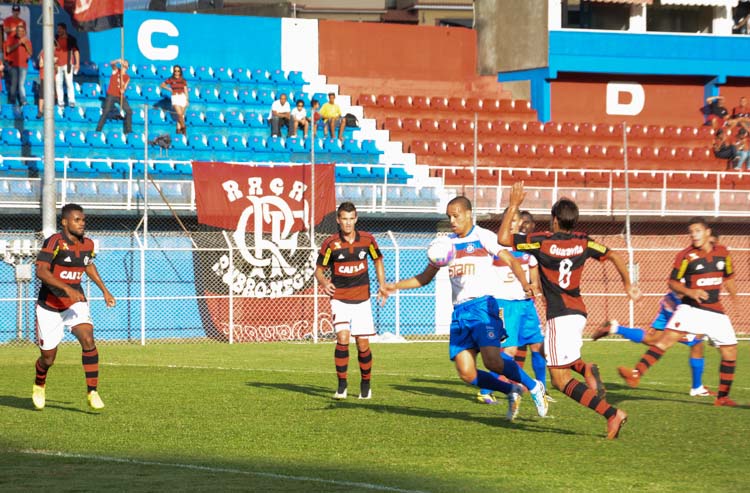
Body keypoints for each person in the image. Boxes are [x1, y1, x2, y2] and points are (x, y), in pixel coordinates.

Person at [383, 196, 549, 422]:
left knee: (493, 361)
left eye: (456, 215)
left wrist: (524, 282)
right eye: (449, 216)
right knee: (466, 372)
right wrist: (394, 286)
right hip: (460, 312)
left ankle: (533, 386)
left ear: (469, 214)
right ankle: (511, 390)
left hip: (483, 307)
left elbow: (510, 259)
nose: (452, 220)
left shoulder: (483, 237)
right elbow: (425, 277)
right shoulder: (445, 245)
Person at [498, 181, 640, 439]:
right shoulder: (583, 242)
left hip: (559, 316)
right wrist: (629, 285)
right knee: (561, 362)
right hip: (578, 314)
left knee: (560, 381)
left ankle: (611, 414)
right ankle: (585, 369)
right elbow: (615, 256)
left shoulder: (543, 241)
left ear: (554, 220)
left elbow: (503, 239)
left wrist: (514, 204)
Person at [617, 217, 739, 407]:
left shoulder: (723, 253)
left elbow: (729, 277)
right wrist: (691, 292)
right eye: (691, 231)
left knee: (730, 350)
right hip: (691, 308)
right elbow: (672, 282)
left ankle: (722, 397)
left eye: (697, 230)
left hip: (716, 311)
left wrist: (735, 299)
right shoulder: (685, 256)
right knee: (665, 340)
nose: (693, 234)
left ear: (707, 232)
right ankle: (636, 373)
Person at [31, 204, 116, 411]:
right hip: (50, 306)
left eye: (83, 220)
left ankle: (92, 392)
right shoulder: (54, 242)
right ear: (65, 222)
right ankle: (39, 384)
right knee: (48, 358)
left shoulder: (87, 244)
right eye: (77, 220)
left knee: (88, 339)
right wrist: (66, 289)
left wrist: (105, 290)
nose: (82, 223)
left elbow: (87, 265)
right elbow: (41, 272)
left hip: (75, 304)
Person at [315, 202, 387, 400]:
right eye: (343, 219)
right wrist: (324, 282)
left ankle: (366, 383)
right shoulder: (330, 244)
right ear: (338, 220)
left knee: (362, 344)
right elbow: (319, 270)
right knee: (343, 339)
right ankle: (342, 385)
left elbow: (378, 260)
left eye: (351, 219)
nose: (347, 223)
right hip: (339, 298)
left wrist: (382, 285)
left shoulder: (368, 240)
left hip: (362, 300)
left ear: (356, 219)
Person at [476, 208, 547, 406]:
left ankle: (542, 388)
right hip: (505, 304)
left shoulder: (526, 246)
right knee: (509, 352)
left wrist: (534, 288)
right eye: (512, 219)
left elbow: (533, 273)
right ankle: (485, 390)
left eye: (517, 219)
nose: (515, 223)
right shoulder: (495, 246)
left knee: (538, 347)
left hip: (525, 304)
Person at [594, 291, 714, 397]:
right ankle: (697, 388)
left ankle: (615, 328)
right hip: (681, 304)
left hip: (670, 300)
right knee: (696, 341)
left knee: (653, 339)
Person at [96, 58, 132, 135]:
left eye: (125, 64)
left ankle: (128, 131)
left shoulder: (127, 77)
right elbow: (112, 63)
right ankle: (98, 130)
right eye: (123, 64)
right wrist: (119, 60)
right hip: (111, 94)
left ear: (127, 67)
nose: (124, 65)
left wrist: (123, 90)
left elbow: (125, 87)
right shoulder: (116, 71)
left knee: (129, 111)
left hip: (120, 96)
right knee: (106, 111)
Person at [3, 23, 30, 106]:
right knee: (14, 84)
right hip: (13, 65)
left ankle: (23, 101)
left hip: (23, 66)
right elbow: (8, 50)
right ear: (16, 32)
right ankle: (12, 102)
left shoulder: (27, 41)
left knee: (21, 84)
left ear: (24, 32)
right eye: (18, 31)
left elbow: (30, 53)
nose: (20, 32)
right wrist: (19, 43)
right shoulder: (11, 39)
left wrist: (25, 44)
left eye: (22, 31)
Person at [54, 23, 79, 108]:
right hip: (57, 65)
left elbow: (76, 51)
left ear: (64, 29)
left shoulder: (71, 39)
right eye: (58, 29)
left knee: (69, 83)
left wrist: (77, 63)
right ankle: (60, 102)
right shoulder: (55, 38)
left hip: (68, 64)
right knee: (58, 83)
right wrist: (54, 63)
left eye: (60, 29)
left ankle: (71, 101)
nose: (58, 31)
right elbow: (52, 50)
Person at [160, 65, 189, 135]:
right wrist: (169, 89)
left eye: (178, 71)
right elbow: (162, 85)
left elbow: (185, 90)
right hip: (175, 97)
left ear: (180, 72)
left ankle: (178, 130)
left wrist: (187, 100)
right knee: (179, 114)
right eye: (175, 71)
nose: (176, 72)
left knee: (181, 115)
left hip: (182, 97)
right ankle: (184, 127)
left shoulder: (183, 80)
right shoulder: (171, 79)